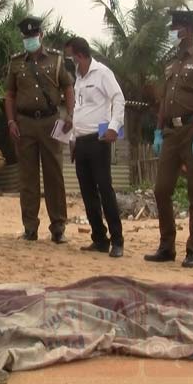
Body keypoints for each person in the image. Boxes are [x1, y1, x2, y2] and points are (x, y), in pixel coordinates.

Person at [144, 9, 193, 268]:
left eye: (177, 27)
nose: (173, 32)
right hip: (171, 134)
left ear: (190, 30)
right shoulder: (170, 64)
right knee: (161, 189)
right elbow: (164, 101)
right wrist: (158, 129)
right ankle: (167, 245)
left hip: (192, 130)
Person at [4, 15, 75, 243]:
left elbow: (68, 86)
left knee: (54, 175)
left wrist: (70, 115)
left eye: (33, 35)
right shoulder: (16, 62)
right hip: (24, 123)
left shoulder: (56, 59)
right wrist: (11, 121)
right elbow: (9, 95)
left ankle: (58, 228)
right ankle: (30, 228)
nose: (30, 39)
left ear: (41, 35)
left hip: (52, 121)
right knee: (28, 177)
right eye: (26, 36)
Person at [64, 36, 125, 258]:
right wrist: (72, 139)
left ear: (80, 55)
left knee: (105, 189)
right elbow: (78, 111)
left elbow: (119, 99)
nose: (70, 61)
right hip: (80, 140)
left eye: (71, 57)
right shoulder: (78, 78)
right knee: (87, 192)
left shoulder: (102, 73)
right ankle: (99, 238)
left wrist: (114, 126)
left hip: (99, 139)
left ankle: (117, 240)